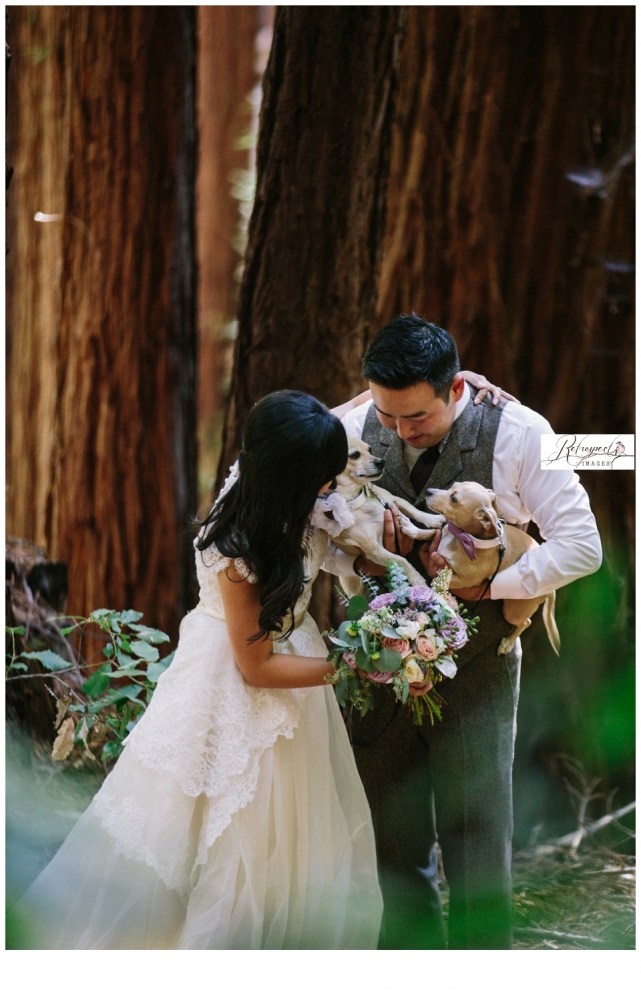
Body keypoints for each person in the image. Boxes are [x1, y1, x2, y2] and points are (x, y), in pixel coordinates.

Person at [17, 390, 384, 950]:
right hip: (241, 679)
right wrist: (353, 665)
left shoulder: (272, 465)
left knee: (295, 839)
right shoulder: (237, 552)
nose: (332, 484)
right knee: (231, 835)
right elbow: (256, 668)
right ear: (293, 475)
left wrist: (392, 391)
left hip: (295, 665)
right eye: (323, 476)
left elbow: (322, 420)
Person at [337, 314, 602, 950]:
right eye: (387, 414)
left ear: (456, 389)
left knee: (478, 838)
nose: (399, 431)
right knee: (390, 841)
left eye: (416, 418)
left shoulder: (522, 431)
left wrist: (493, 588)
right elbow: (289, 486)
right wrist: (362, 555)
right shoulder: (347, 426)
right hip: (377, 659)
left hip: (479, 659)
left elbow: (583, 547)